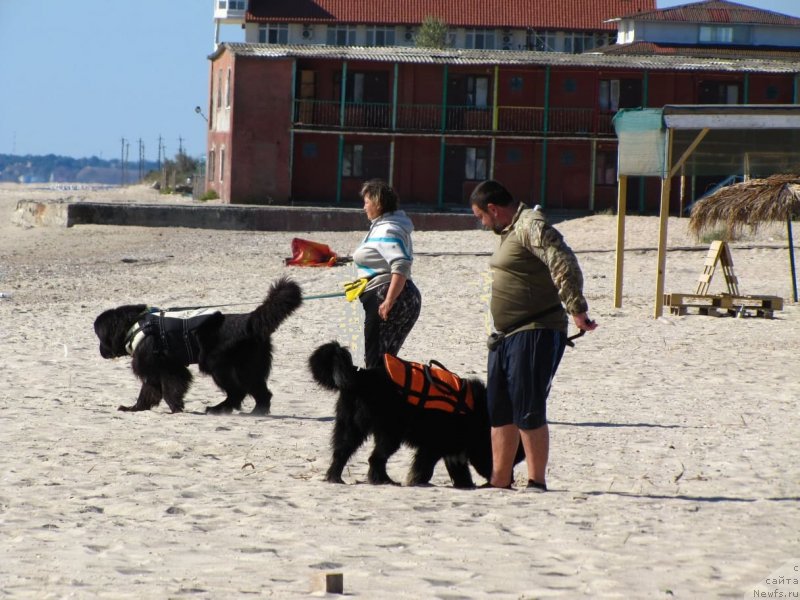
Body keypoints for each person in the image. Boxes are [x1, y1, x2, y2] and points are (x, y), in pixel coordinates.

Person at [469, 180, 597, 492]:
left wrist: (576, 308)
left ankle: (536, 480)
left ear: (494, 209)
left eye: (480, 216)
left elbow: (562, 260)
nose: (481, 222)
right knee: (499, 409)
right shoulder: (507, 231)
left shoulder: (531, 225)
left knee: (528, 406)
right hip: (505, 335)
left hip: (535, 329)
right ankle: (500, 479)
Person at [353, 179, 422, 369]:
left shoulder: (388, 228)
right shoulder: (386, 225)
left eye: (366, 202)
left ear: (378, 203)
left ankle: (377, 398)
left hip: (386, 297)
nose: (364, 207)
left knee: (375, 364)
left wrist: (389, 300)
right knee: (386, 363)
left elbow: (401, 264)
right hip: (396, 295)